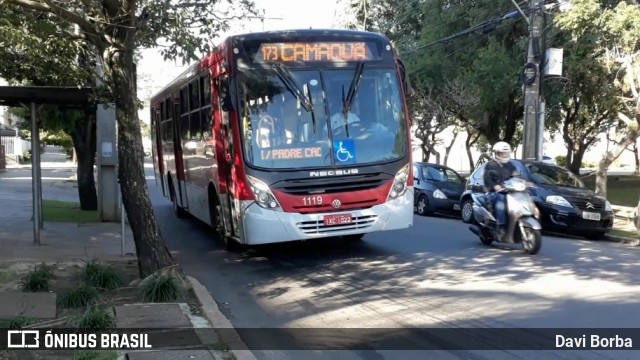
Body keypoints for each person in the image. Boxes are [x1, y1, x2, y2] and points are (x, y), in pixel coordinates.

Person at [483, 141, 518, 238]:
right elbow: (487, 178)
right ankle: (501, 226)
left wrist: (524, 182)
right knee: (501, 200)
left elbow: (516, 175)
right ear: (497, 153)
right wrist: (494, 186)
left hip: (507, 191)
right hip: (492, 192)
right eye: (502, 153)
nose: (504, 155)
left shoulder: (510, 165)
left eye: (506, 153)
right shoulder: (490, 165)